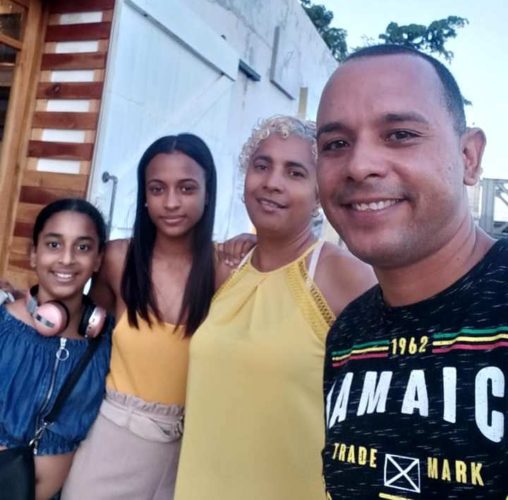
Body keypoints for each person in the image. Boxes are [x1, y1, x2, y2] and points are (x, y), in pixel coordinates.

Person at [317, 44, 507, 499]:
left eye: (400, 134)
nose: (359, 166)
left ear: (469, 157)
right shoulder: (348, 335)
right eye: (336, 144)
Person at [174, 116, 376, 500]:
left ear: (319, 192)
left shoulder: (342, 275)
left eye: (295, 173)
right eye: (261, 166)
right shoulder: (227, 269)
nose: (272, 182)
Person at [62, 134, 252, 499]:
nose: (171, 202)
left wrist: (258, 244)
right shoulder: (118, 259)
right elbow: (84, 332)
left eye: (186, 188)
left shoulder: (226, 270)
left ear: (207, 193)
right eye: (157, 188)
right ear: (145, 196)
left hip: (191, 450)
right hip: (115, 438)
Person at [0, 198, 112, 500]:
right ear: (33, 254)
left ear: (98, 260)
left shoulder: (107, 342)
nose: (67, 259)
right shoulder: (3, 325)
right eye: (53, 244)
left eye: (83, 247)